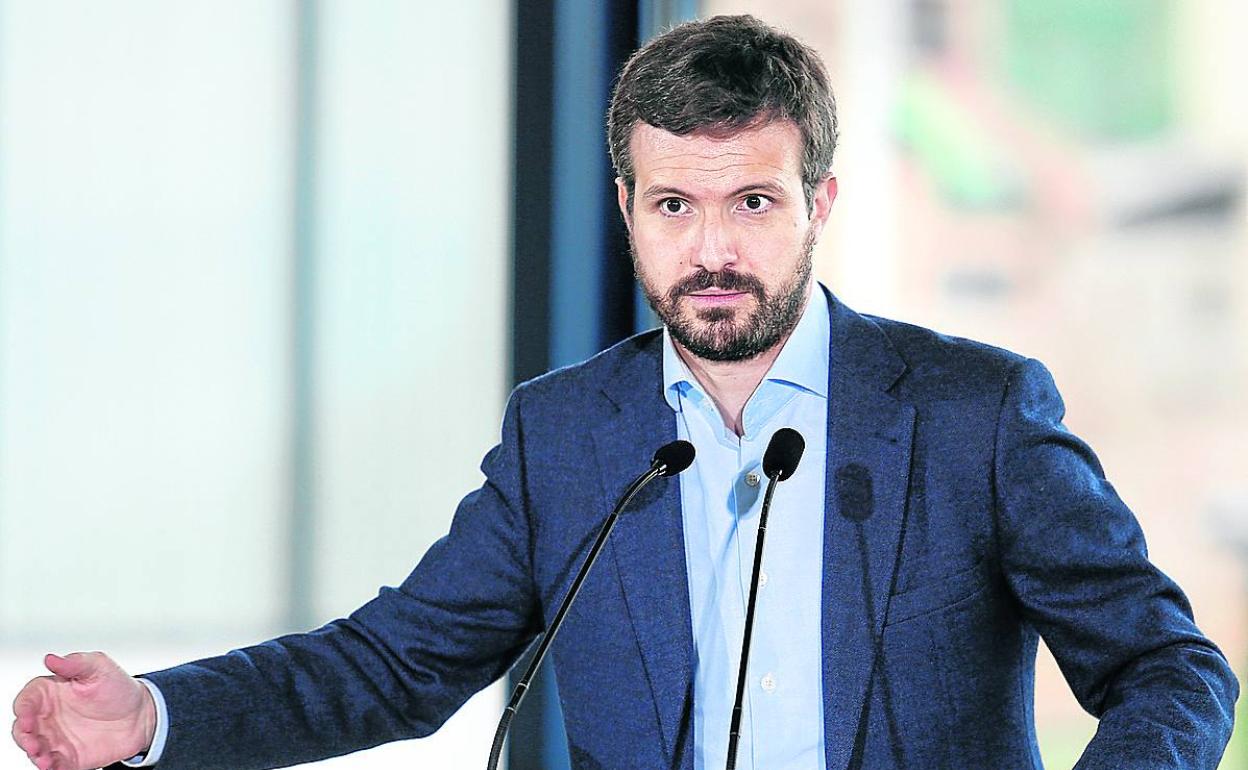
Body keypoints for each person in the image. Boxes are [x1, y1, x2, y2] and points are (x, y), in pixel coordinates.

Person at [11, 14, 1238, 770]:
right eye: (674, 204)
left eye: (752, 201)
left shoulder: (976, 411)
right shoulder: (567, 434)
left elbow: (1173, 672)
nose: (712, 247)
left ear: (819, 203)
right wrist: (154, 715)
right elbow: (391, 663)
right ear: (628, 210)